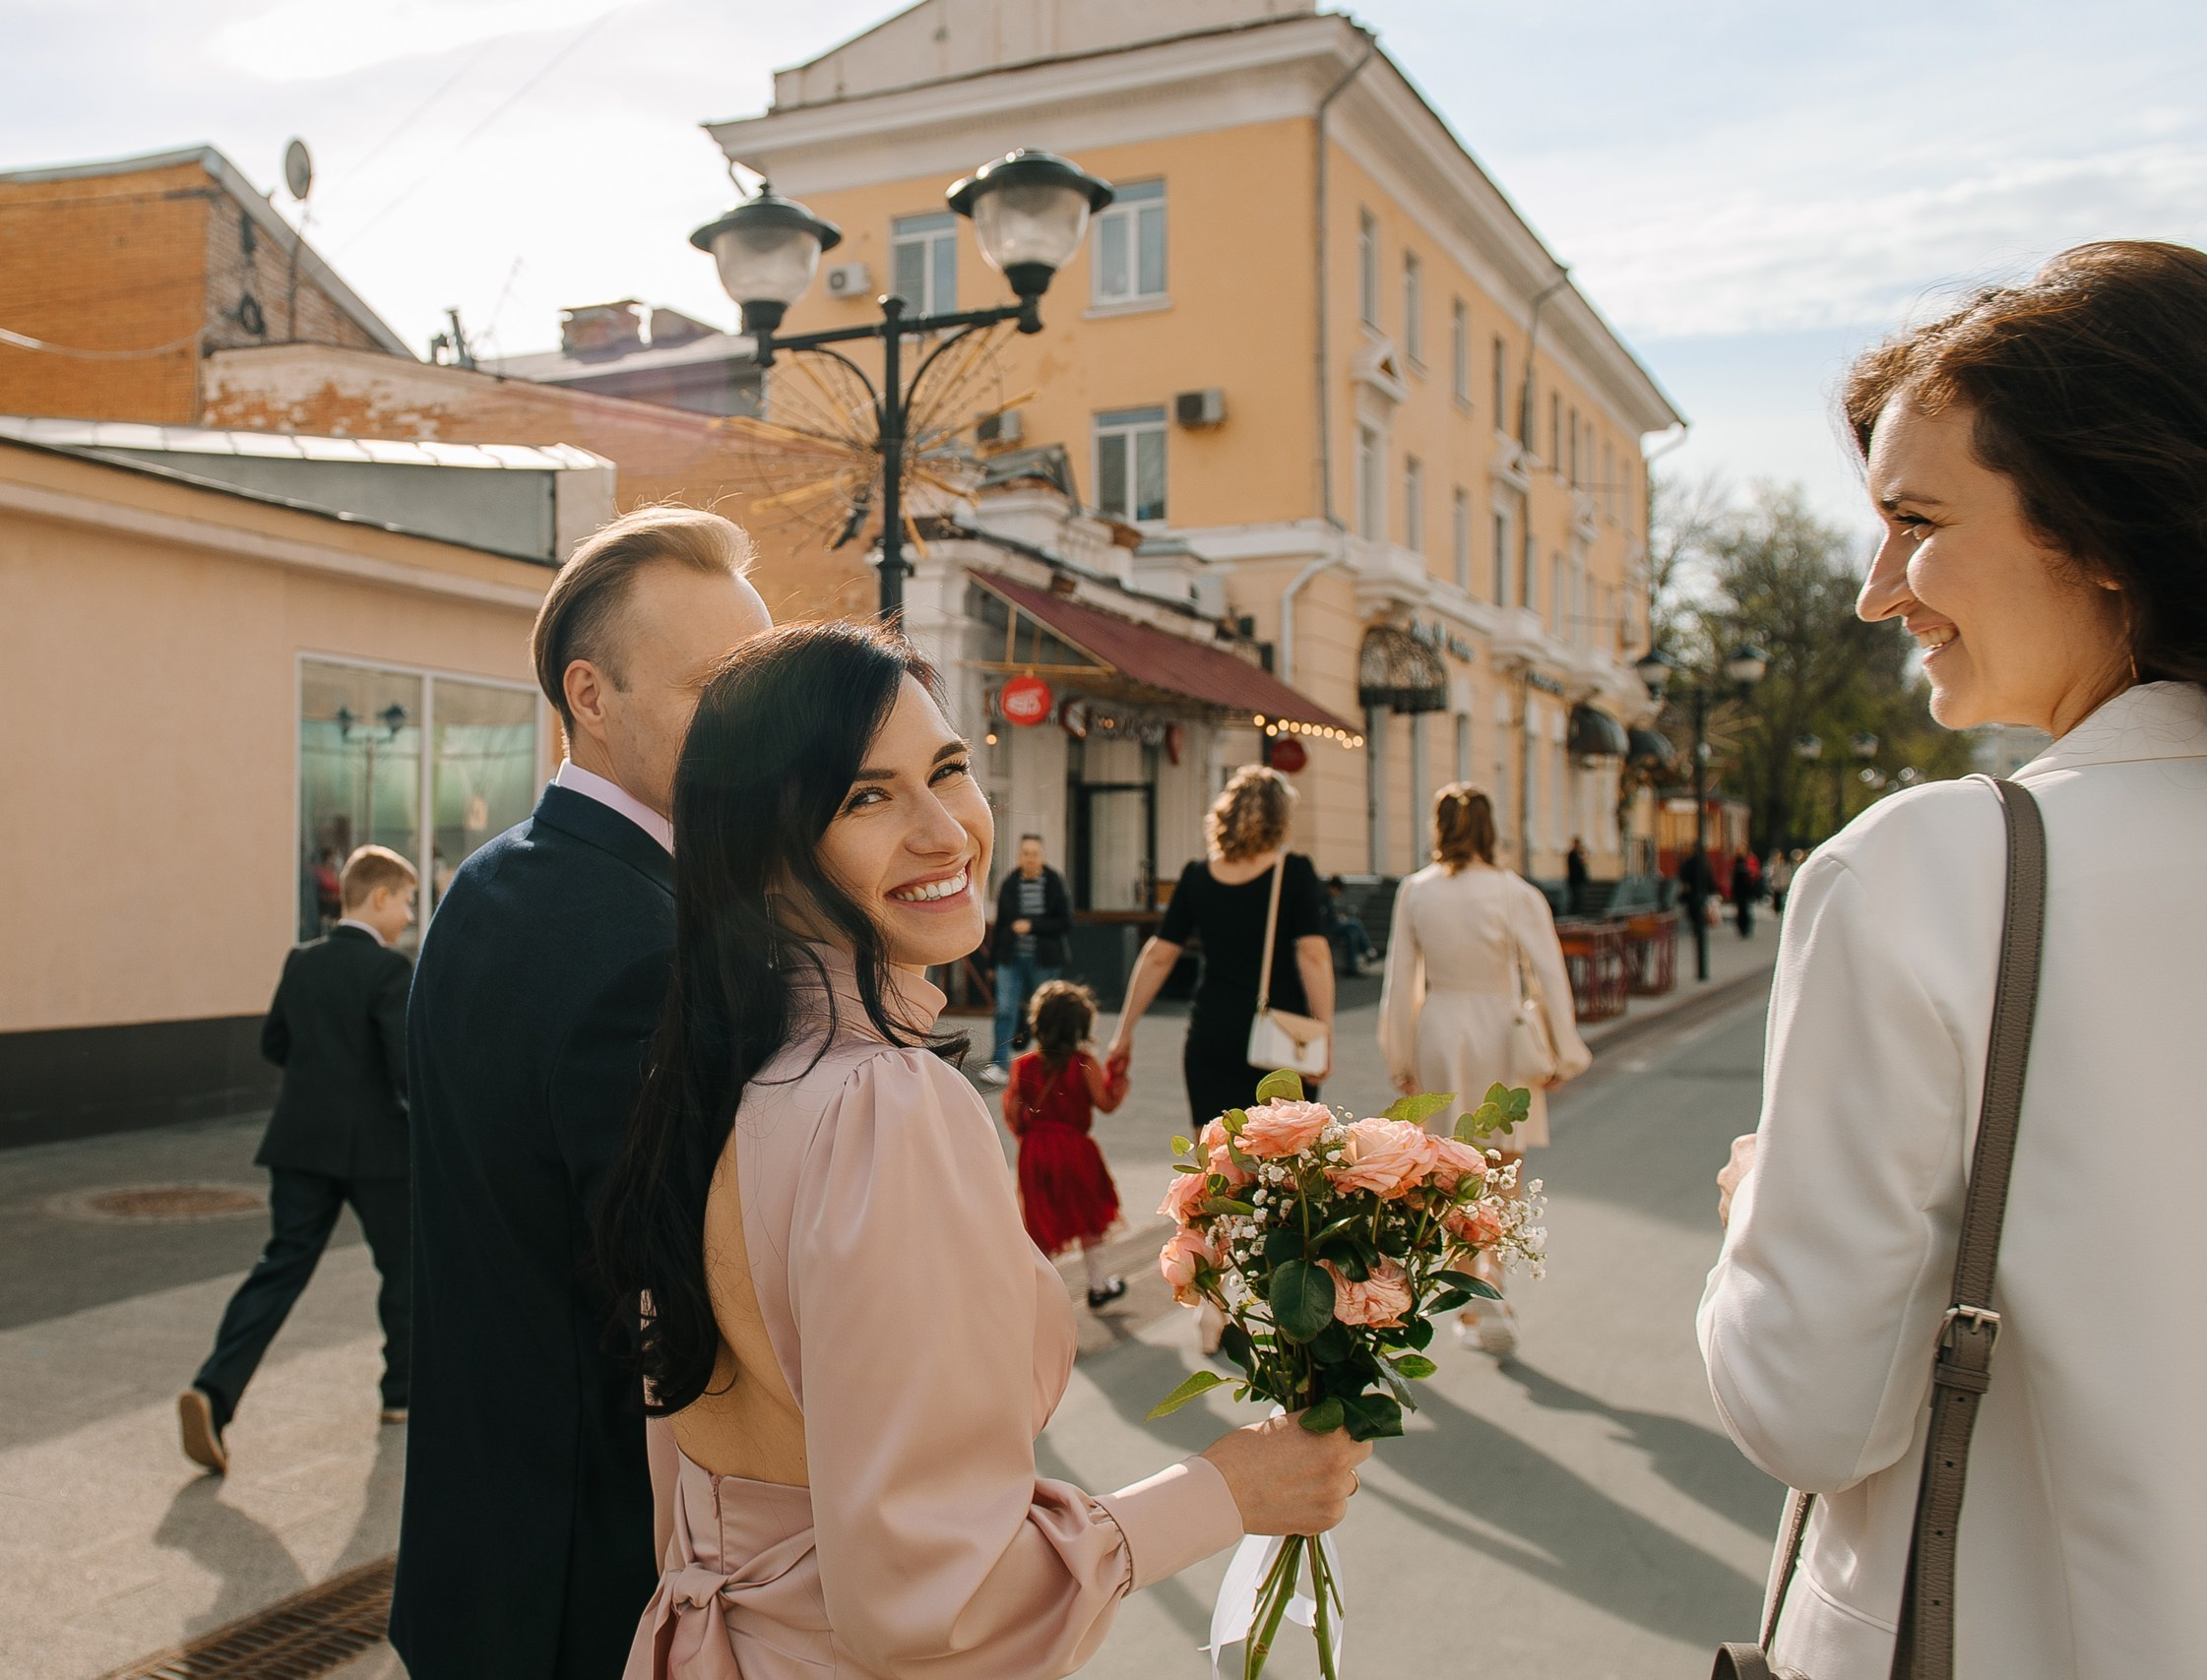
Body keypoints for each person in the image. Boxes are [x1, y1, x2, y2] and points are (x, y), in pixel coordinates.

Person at [1699, 242, 2207, 1678]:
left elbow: (1808, 1407)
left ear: (2108, 530)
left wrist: (1765, 1197)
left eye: (1915, 519)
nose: (1877, 591)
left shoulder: (1933, 874)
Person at [594, 620, 1368, 1676]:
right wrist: (1229, 1489)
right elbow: (932, 1609)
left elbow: (688, 1487)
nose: (945, 830)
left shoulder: (711, 1073)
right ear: (767, 853)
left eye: (948, 770)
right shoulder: (884, 1106)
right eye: (866, 797)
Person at [393, 508, 771, 1680]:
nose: (752, 725)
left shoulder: (495, 878)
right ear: (590, 695)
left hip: (484, 1554)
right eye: (718, 686)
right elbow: (688, 1312)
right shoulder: (636, 939)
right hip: (591, 1586)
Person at [179, 844, 418, 1475]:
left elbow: (273, 1042)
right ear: (378, 898)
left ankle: (213, 1391)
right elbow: (405, 1069)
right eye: (407, 901)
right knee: (405, 1266)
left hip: (300, 1143)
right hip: (377, 1150)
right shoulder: (389, 971)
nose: (409, 916)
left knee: (281, 1265)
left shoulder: (302, 961)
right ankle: (401, 1394)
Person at [1377, 783, 1589, 1355]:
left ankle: (1469, 1287)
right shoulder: (1516, 893)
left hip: (1440, 1030)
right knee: (1504, 1164)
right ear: (1492, 828)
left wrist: (1400, 1056)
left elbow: (1400, 981)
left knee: (1450, 1170)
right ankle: (1494, 1279)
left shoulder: (1415, 892)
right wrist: (1563, 1050)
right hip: (1501, 1031)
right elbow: (1548, 974)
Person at [1105, 766, 1337, 1126]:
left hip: (1212, 1034)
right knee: (1285, 1164)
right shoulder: (1293, 872)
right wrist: (1323, 1034)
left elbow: (1159, 956)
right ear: (1280, 818)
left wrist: (1124, 1032)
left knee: (1214, 1161)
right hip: (1282, 1038)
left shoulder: (1197, 875)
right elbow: (1314, 955)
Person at [1003, 979, 1129, 1308]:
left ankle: (1037, 1294)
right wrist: (1117, 1078)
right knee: (1088, 1217)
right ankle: (1098, 1284)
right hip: (1075, 1150)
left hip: (1036, 1150)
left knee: (1040, 1222)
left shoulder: (1024, 1065)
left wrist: (1029, 1134)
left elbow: (1014, 1112)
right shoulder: (1084, 1063)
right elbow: (1106, 1104)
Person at [979, 834, 1071, 1085]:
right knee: (1005, 1010)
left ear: (1042, 856)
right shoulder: (1010, 883)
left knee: (1043, 1014)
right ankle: (999, 1064)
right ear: (1019, 856)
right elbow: (1000, 926)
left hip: (1044, 961)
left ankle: (1045, 1065)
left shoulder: (1054, 883)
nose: (1029, 858)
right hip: (1011, 959)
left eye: (1034, 853)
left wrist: (1031, 926)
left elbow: (1065, 922)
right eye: (1025, 853)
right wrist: (992, 964)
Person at [1323, 877, 1377, 975]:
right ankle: (1368, 949)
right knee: (1355, 923)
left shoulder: (1326, 897)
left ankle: (1352, 966)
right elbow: (1326, 917)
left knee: (1352, 934)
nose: (1338, 895)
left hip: (1331, 926)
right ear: (1334, 888)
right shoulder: (1324, 898)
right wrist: (1338, 920)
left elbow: (1329, 915)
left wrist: (1338, 918)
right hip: (1329, 929)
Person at [1728, 847, 1761, 937]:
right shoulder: (1735, 864)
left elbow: (1755, 875)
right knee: (1743, 910)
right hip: (1742, 891)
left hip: (1744, 891)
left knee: (1745, 910)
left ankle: (1745, 929)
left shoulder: (1747, 863)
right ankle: (1743, 929)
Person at [1563, 836, 1590, 911]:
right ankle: (1574, 912)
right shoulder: (1572, 855)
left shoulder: (1577, 854)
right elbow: (1578, 864)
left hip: (1579, 880)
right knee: (1576, 897)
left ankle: (1578, 911)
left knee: (1580, 898)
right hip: (1575, 880)